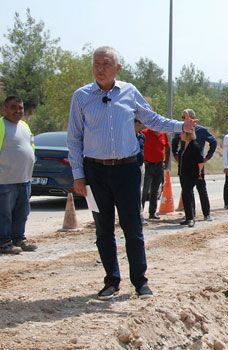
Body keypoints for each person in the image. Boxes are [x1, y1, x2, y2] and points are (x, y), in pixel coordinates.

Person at [67, 46, 197, 300]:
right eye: (96, 64)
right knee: (103, 230)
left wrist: (181, 125)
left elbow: (152, 120)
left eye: (105, 64)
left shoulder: (129, 92)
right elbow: (74, 139)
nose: (100, 68)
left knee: (132, 227)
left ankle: (140, 281)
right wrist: (78, 175)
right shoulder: (81, 97)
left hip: (127, 170)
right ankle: (111, 281)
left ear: (117, 68)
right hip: (95, 171)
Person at [0, 96, 38, 254]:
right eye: (13, 107)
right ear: (4, 109)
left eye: (20, 107)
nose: (18, 110)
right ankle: (4, 242)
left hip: (24, 178)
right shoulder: (1, 125)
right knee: (4, 214)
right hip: (4, 181)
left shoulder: (24, 125)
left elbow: (30, 146)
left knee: (22, 212)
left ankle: (19, 239)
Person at [171, 109, 216, 221]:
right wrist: (176, 154)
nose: (183, 120)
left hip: (197, 164)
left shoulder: (201, 130)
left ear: (191, 118)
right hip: (184, 163)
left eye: (184, 117)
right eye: (182, 117)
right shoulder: (181, 129)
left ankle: (207, 214)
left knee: (201, 189)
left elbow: (213, 142)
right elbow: (174, 141)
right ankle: (191, 215)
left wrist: (207, 157)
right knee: (186, 190)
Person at [141, 126, 170, 220]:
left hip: (159, 165)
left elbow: (167, 147)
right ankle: (139, 213)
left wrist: (166, 161)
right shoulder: (144, 133)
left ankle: (152, 213)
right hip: (147, 165)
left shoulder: (163, 133)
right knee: (144, 190)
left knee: (155, 190)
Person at [178, 131, 204, 228]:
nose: (180, 135)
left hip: (191, 175)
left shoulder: (195, 146)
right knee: (185, 195)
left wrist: (199, 173)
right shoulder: (185, 145)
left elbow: (200, 161)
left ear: (187, 135)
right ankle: (188, 217)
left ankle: (191, 218)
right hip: (184, 174)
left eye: (182, 133)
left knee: (187, 194)